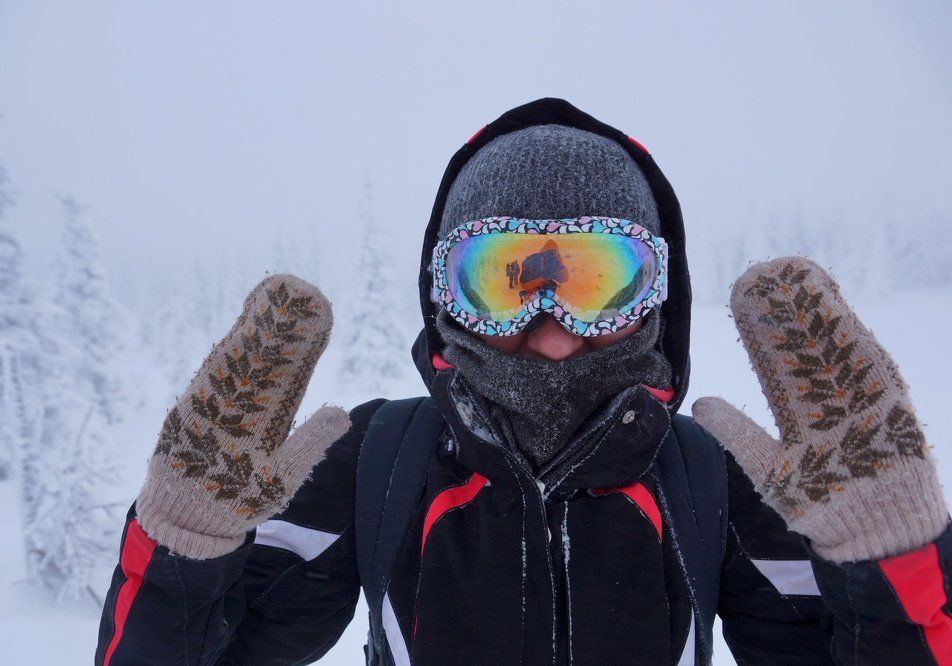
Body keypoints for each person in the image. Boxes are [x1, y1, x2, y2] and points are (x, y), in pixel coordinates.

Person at [95, 99, 952, 665]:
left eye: (595, 278)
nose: (549, 329)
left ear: (655, 294)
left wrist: (889, 552)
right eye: (504, 277)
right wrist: (185, 544)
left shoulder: (711, 477)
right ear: (445, 295)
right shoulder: (378, 460)